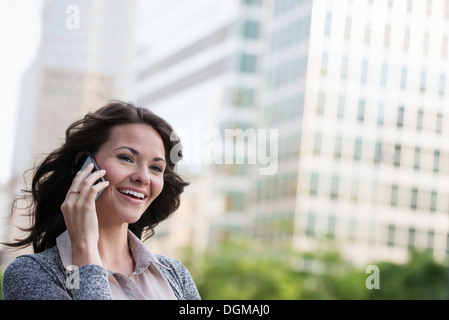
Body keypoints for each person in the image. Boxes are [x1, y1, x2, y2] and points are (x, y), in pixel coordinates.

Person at [1, 100, 201, 300]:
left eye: (156, 168)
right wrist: (84, 247)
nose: (143, 177)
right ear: (83, 164)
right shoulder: (33, 274)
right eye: (126, 158)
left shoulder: (175, 274)